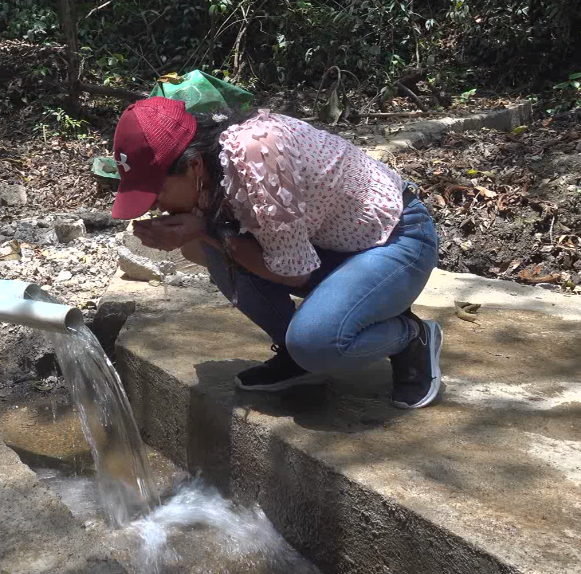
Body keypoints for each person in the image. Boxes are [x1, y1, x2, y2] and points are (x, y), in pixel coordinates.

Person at [109, 96, 441, 408]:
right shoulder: (207, 171)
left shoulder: (257, 157)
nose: (155, 205)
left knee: (317, 343)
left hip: (395, 239)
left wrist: (204, 230)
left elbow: (294, 272)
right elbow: (208, 252)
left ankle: (412, 337)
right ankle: (296, 354)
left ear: (193, 166)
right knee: (213, 250)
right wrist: (201, 232)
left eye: (157, 192)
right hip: (330, 247)